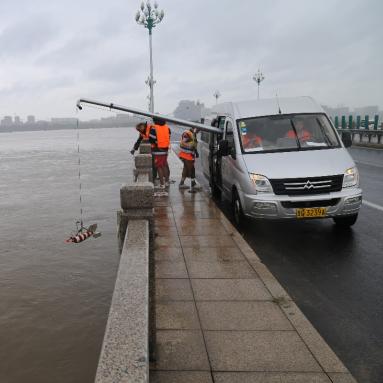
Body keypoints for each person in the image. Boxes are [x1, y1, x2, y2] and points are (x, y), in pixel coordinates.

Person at [149, 117, 171, 189]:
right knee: (164, 165)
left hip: (157, 150)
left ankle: (162, 184)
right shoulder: (167, 128)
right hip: (165, 150)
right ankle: (167, 182)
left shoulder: (154, 128)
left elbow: (151, 139)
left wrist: (156, 143)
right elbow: (169, 137)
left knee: (159, 167)